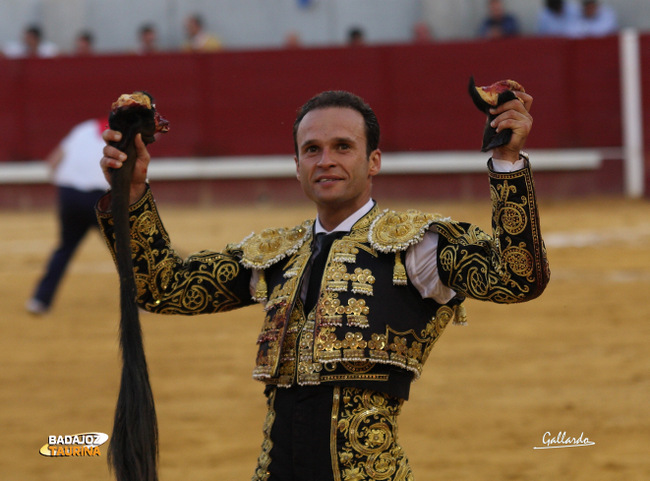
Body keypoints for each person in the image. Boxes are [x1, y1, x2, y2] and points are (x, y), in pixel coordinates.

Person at [97, 88, 549, 479]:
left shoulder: (417, 246)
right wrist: (133, 193)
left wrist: (506, 163)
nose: (325, 160)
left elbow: (516, 277)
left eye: (342, 147)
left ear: (374, 161)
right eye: (311, 150)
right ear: (296, 165)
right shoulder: (275, 253)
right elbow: (163, 287)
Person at [26, 117, 110, 315]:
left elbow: (53, 162)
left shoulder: (83, 128)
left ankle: (40, 300)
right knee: (125, 251)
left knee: (65, 247)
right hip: (102, 199)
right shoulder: (127, 137)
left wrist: (66, 188)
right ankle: (144, 298)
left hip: (69, 195)